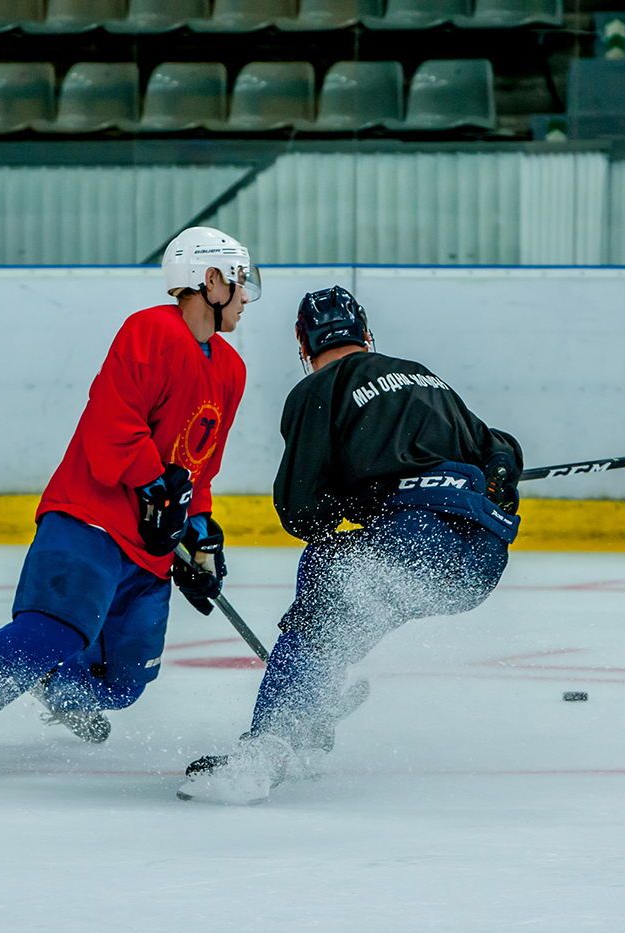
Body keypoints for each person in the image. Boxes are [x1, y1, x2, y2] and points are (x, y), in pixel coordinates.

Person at [0, 226, 259, 778]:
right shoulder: (150, 331)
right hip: (90, 519)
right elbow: (112, 425)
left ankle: (57, 681)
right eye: (238, 281)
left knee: (123, 682)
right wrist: (156, 488)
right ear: (210, 280)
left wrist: (201, 535)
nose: (245, 296)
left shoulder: (231, 370)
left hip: (149, 548)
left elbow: (198, 465)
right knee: (51, 630)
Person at [178, 285, 522, 805]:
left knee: (327, 574)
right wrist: (494, 474)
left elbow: (302, 512)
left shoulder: (319, 388)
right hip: (480, 557)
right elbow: (501, 450)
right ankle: (311, 714)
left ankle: (268, 748)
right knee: (353, 606)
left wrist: (351, 498)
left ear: (304, 344)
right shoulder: (421, 376)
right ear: (365, 333)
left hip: (418, 537)